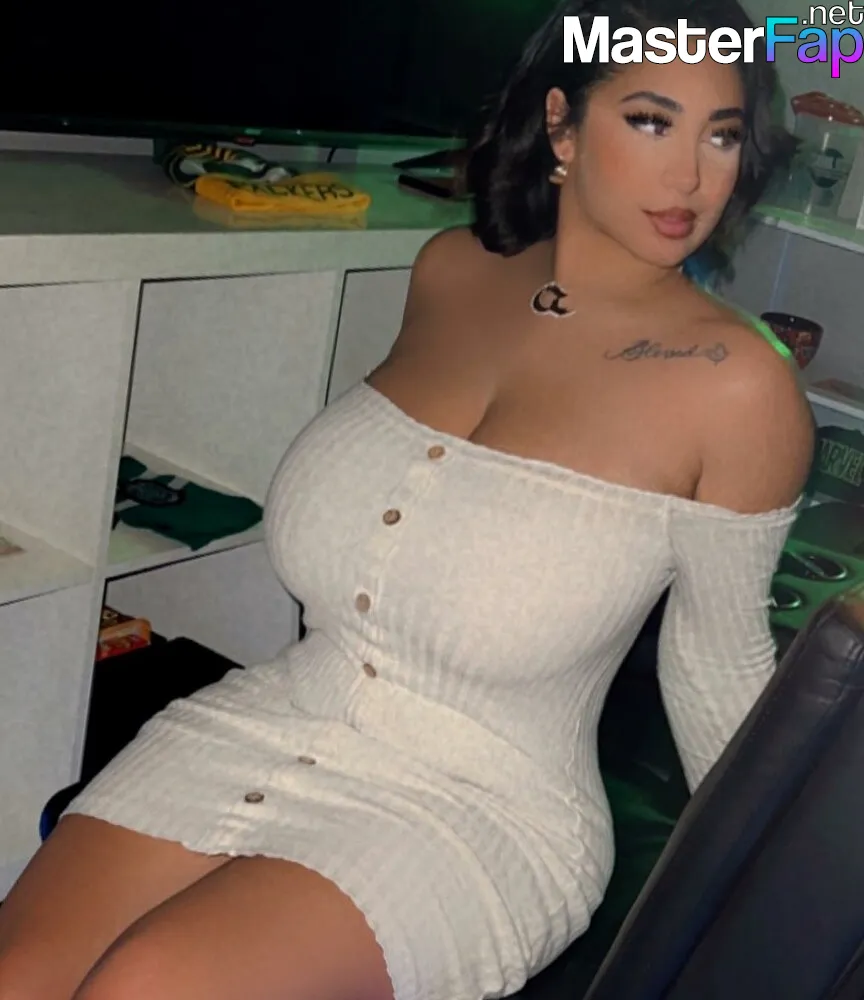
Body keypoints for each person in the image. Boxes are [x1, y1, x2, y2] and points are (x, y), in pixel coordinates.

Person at [0, 1, 815, 998]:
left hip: (482, 807)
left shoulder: (736, 384)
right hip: (273, 715)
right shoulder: (450, 272)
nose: (692, 176)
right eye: (651, 120)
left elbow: (718, 668)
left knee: (147, 985)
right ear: (561, 125)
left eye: (721, 135)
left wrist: (794, 918)